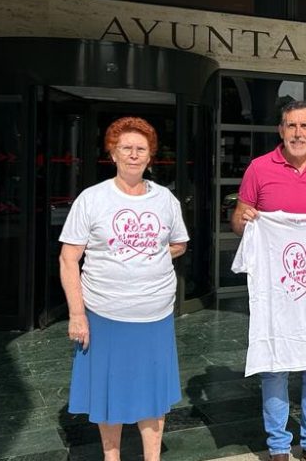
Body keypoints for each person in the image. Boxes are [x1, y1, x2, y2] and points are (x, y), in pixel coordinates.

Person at [59, 116, 189, 461]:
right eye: (126, 148)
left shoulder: (165, 200)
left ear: (150, 156)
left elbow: (179, 243)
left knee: (153, 394)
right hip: (105, 316)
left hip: (155, 316)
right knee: (109, 393)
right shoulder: (92, 199)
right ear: (112, 153)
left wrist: (149, 256)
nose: (133, 154)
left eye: (141, 149)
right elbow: (68, 258)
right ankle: (111, 457)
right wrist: (76, 314)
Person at [232, 100, 306, 461]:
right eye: (291, 125)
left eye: (304, 126)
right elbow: (237, 220)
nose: (298, 133)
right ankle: (279, 447)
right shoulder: (258, 168)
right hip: (276, 292)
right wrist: (245, 219)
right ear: (281, 130)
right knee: (274, 366)